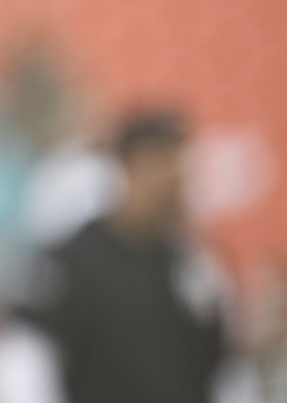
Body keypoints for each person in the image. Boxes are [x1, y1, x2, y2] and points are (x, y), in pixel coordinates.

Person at [14, 108, 230, 403]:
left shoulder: (194, 266)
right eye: (159, 163)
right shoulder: (72, 262)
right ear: (127, 166)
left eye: (177, 166)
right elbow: (27, 357)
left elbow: (222, 367)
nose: (171, 180)